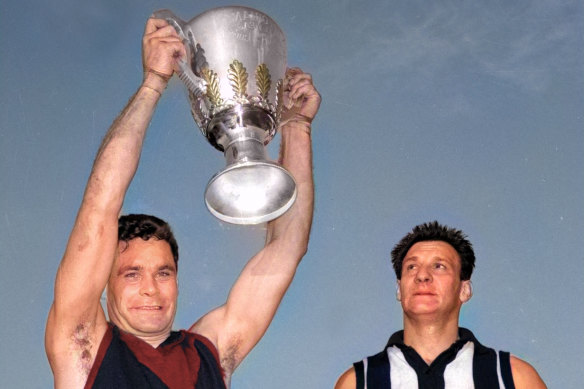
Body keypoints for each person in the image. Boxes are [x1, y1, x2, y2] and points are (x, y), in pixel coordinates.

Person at [45, 17, 320, 389]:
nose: (150, 289)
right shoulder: (84, 345)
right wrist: (153, 83)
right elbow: (100, 205)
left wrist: (296, 127)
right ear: (104, 283)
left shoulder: (209, 351)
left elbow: (288, 248)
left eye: (163, 273)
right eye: (131, 273)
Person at [335, 221, 546, 389]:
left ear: (464, 290)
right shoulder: (357, 382)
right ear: (399, 289)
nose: (422, 276)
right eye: (411, 267)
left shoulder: (515, 378)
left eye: (439, 266)